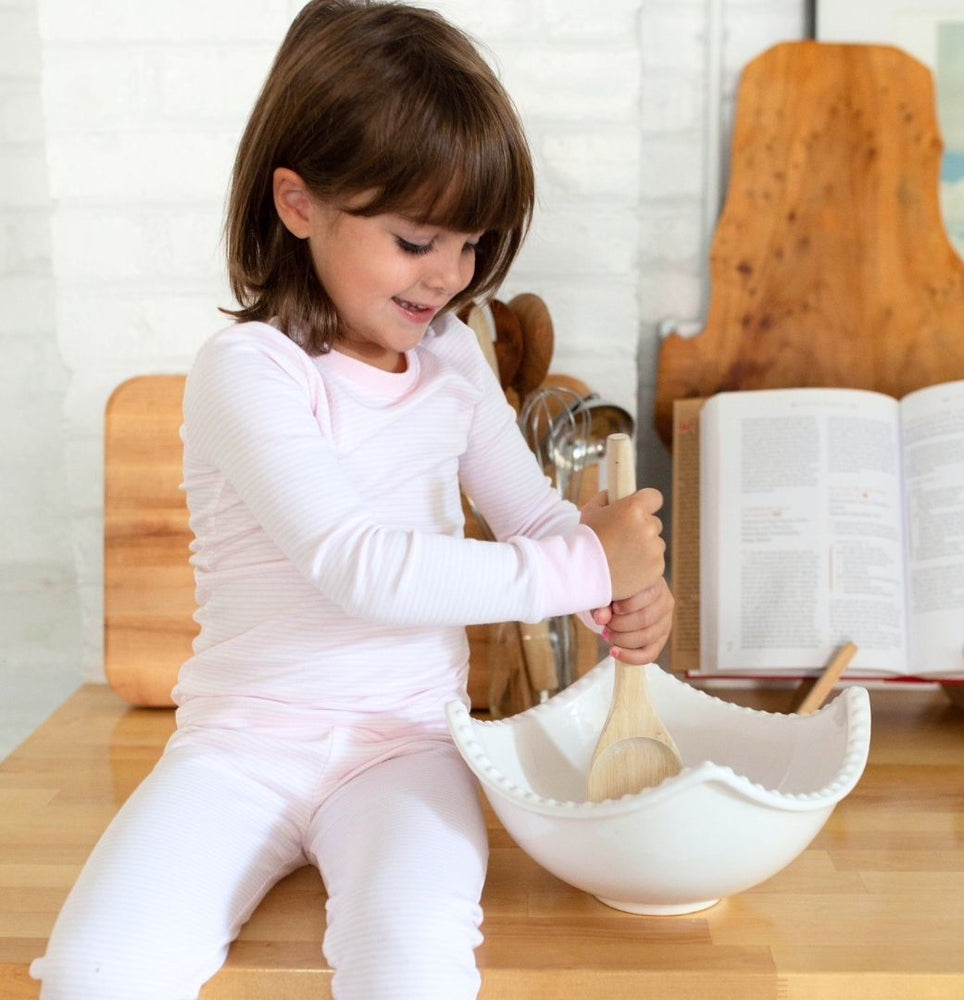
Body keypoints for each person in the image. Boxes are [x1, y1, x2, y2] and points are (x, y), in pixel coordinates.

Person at [30, 2, 672, 997]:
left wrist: (616, 594)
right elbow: (360, 566)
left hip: (405, 747)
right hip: (240, 745)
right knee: (92, 973)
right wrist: (585, 562)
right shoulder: (249, 372)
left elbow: (534, 518)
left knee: (412, 967)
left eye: (470, 244)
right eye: (417, 240)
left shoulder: (454, 354)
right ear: (298, 203)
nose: (450, 276)